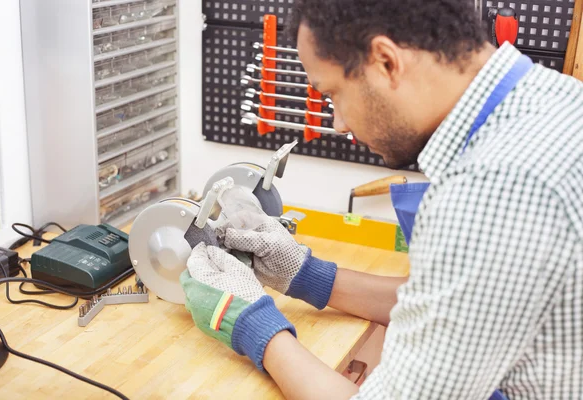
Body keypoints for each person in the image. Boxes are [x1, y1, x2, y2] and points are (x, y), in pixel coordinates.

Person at [180, 0, 583, 398]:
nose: (338, 124)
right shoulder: (550, 102)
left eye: (333, 93)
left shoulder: (495, 188)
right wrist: (304, 274)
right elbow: (461, 304)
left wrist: (254, 325)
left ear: (387, 62)